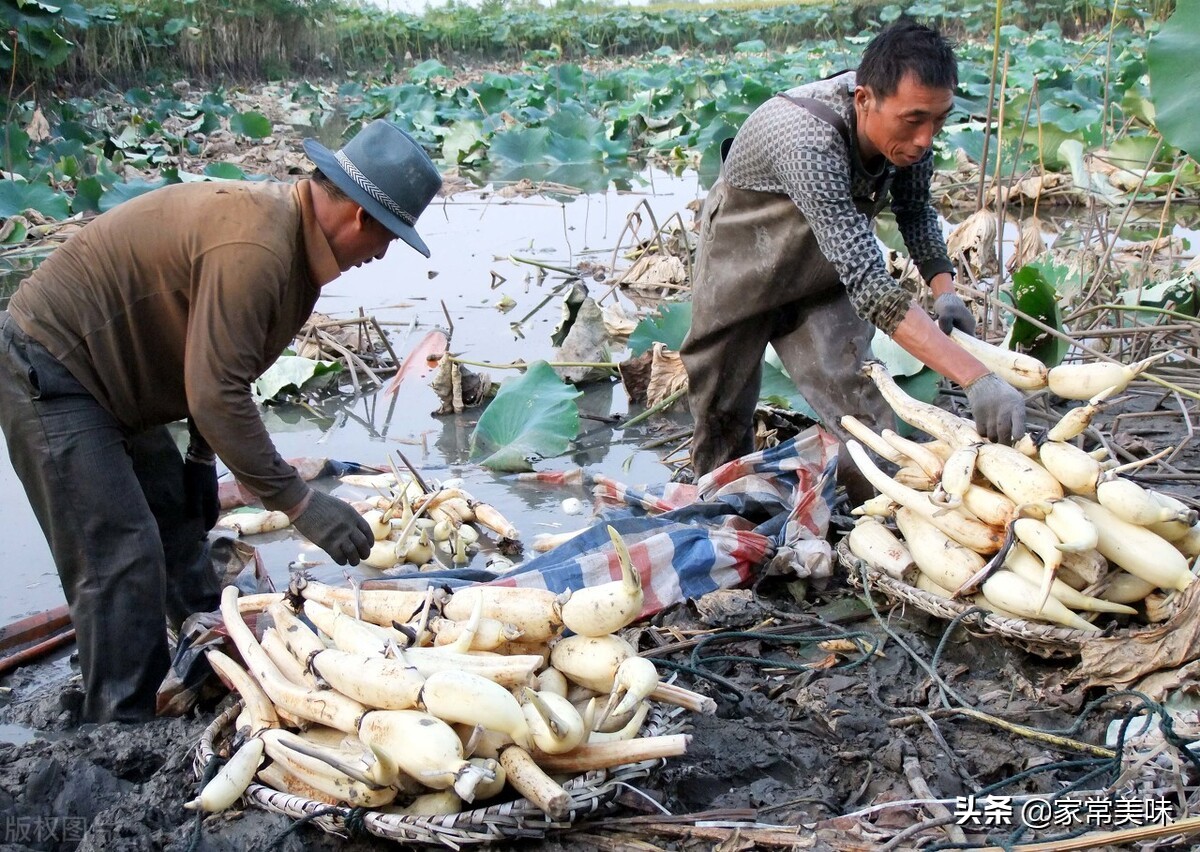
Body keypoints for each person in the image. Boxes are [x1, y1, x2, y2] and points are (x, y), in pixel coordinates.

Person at [0, 119, 442, 723]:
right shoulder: (257, 248)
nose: (382, 253)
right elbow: (215, 393)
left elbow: (218, 366)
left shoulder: (295, 253)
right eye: (388, 237)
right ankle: (115, 726)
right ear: (361, 218)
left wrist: (201, 460)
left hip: (125, 384)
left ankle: (212, 657)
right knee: (121, 557)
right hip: (53, 368)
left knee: (181, 526)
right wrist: (300, 504)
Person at [680, 20, 1026, 496]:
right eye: (914, 120)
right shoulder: (809, 135)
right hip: (742, 266)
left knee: (867, 415)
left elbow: (915, 211)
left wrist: (944, 290)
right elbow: (873, 288)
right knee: (721, 412)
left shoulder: (910, 139)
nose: (927, 138)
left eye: (939, 120)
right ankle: (721, 512)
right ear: (865, 100)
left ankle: (883, 516)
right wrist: (975, 377)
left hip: (821, 276)